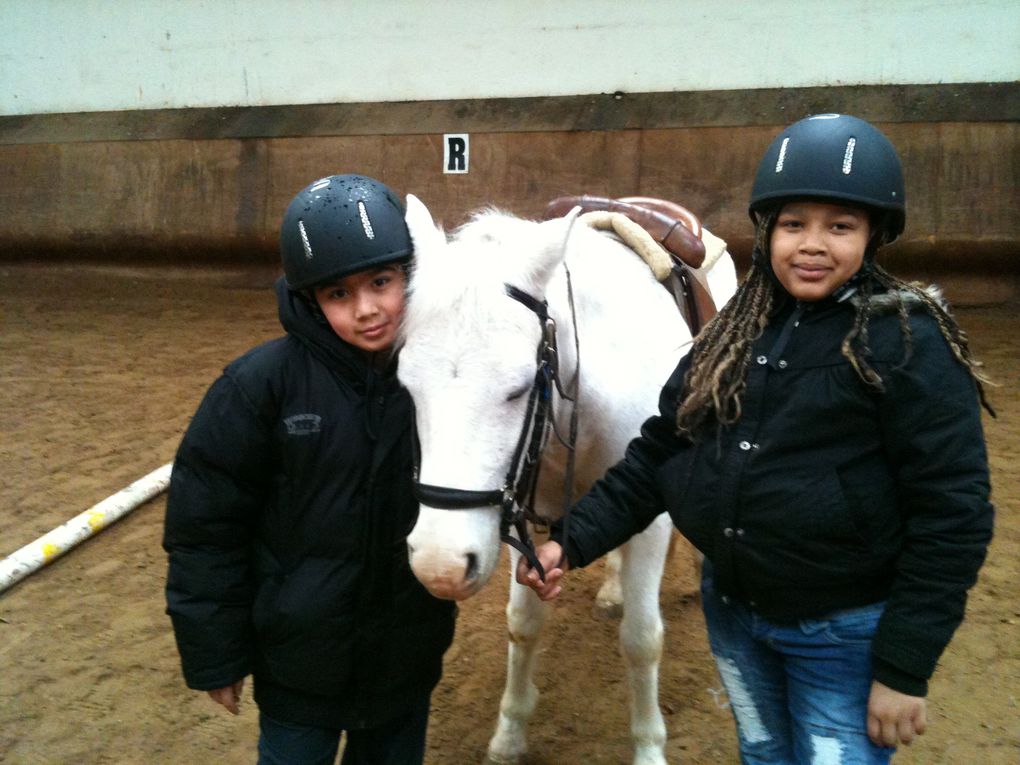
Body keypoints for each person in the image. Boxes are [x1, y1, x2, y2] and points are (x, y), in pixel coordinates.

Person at [517, 114, 994, 764]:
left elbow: (953, 515)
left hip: (841, 634)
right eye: (794, 224)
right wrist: (569, 539)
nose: (813, 244)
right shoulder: (732, 334)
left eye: (841, 226)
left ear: (874, 234)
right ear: (769, 231)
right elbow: (660, 452)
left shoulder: (907, 345)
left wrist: (905, 667)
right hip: (736, 616)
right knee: (764, 754)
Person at [164, 174, 457, 765]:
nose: (367, 309)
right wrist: (216, 652)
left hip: (405, 656)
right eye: (338, 294)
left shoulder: (442, 378)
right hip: (299, 667)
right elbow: (205, 528)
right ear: (310, 302)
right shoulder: (258, 387)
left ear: (410, 275)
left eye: (381, 282)